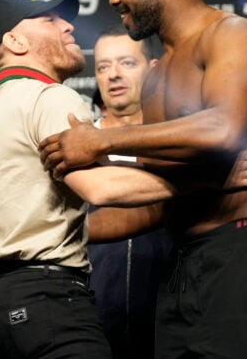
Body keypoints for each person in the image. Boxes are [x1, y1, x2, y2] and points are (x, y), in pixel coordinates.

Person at [38, 0, 247, 358]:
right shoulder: (157, 77)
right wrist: (59, 234)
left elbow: (223, 128)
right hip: (185, 260)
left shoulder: (232, 35)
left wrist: (101, 142)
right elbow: (161, 195)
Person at [0, 0, 206, 359]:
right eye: (50, 20)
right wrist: (205, 179)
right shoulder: (51, 98)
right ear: (15, 41)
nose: (68, 26)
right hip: (47, 302)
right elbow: (99, 188)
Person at [88, 23, 173, 359]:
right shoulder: (75, 146)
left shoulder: (178, 142)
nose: (113, 75)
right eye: (103, 67)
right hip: (91, 324)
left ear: (153, 69)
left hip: (168, 319)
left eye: (126, 63)